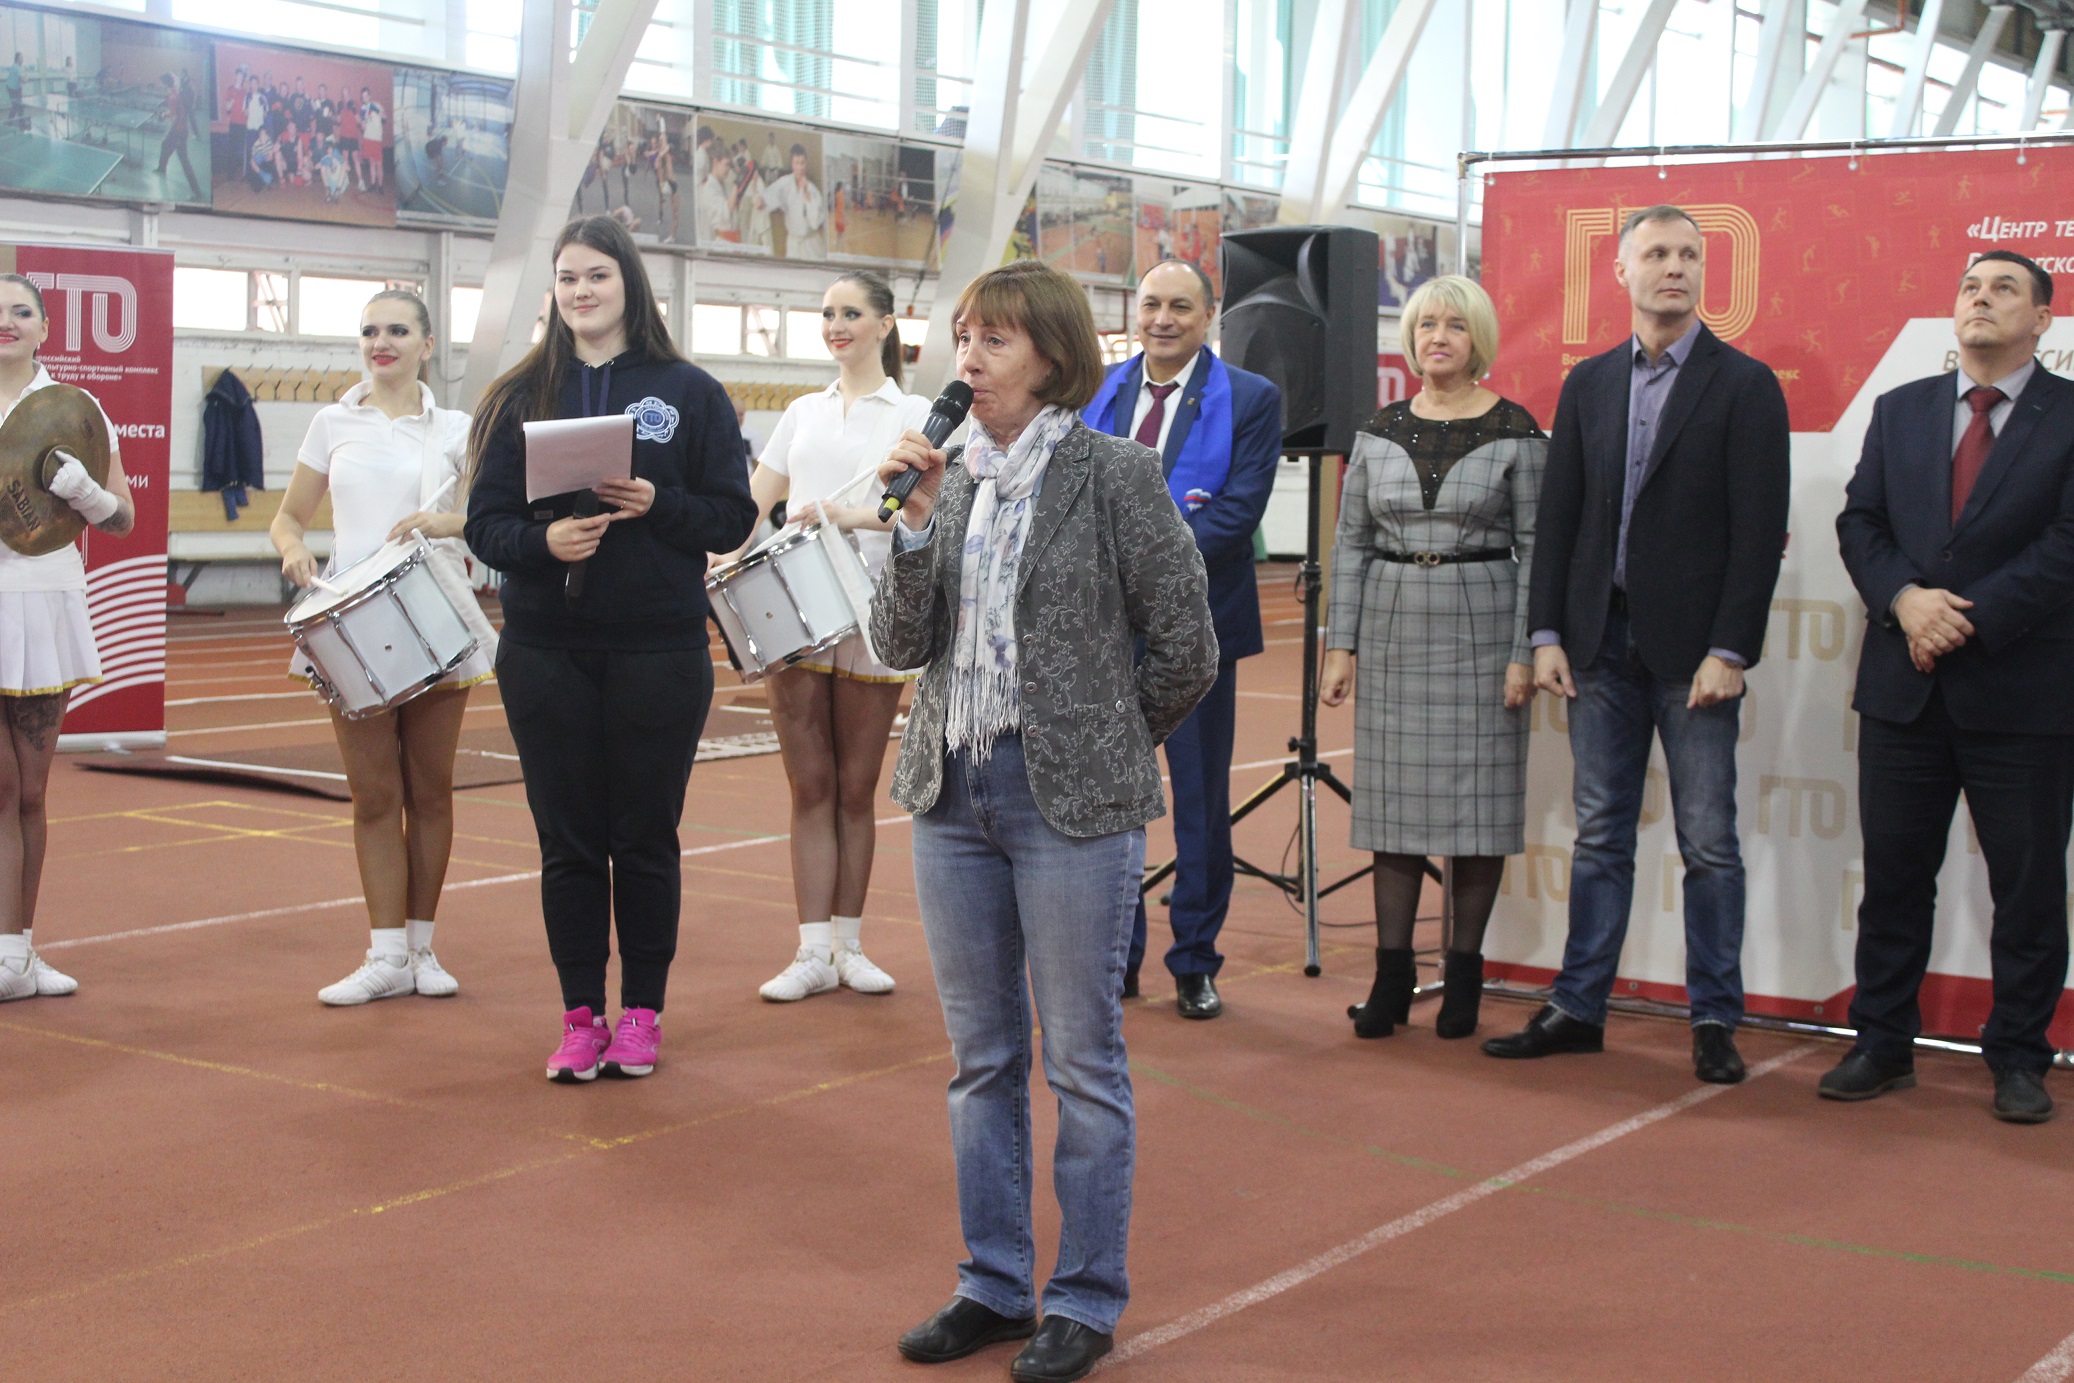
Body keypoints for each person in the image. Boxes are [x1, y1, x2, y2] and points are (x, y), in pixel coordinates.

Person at [876, 260, 1216, 1382]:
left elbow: (1188, 646)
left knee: (1080, 1060)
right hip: (950, 791)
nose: (968, 359)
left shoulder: (1115, 474)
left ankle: (1083, 1296)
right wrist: (912, 526)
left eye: (996, 340)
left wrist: (1102, 739)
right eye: (963, 337)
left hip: (1066, 798)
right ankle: (993, 1281)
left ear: (1054, 357)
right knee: (980, 1060)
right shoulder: (943, 478)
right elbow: (898, 643)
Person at [1482, 205, 1790, 1085]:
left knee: (1710, 843)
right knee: (1601, 836)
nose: (1675, 267)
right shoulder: (1587, 383)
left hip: (1696, 656)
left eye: (1689, 254)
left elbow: (1758, 532)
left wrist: (1732, 649)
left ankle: (1715, 1018)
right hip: (1596, 645)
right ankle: (1579, 1006)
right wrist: (1547, 633)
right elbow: (1559, 520)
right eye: (1657, 253)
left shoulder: (1746, 385)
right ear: (1621, 271)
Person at [465, 216, 756, 1083]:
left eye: (597, 274)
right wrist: (541, 544)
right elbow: (484, 523)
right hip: (544, 652)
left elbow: (732, 516)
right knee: (567, 841)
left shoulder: (690, 391)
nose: (582, 290)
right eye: (567, 278)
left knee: (645, 836)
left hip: (656, 650)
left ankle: (642, 1014)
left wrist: (658, 503)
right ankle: (580, 1015)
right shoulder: (521, 394)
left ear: (629, 282)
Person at [1829, 249, 2074, 1124]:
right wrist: (1905, 599)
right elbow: (1860, 520)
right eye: (1971, 286)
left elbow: (2067, 544)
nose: (1981, 298)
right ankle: (1881, 1042)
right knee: (1895, 880)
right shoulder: (1901, 409)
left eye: (2005, 288)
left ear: (2042, 318)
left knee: (2029, 889)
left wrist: (1962, 618)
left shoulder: (2069, 415)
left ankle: (2019, 1055)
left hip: (2024, 692)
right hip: (1905, 690)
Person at [1319, 275, 1544, 1040]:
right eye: (1425, 325)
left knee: (1481, 809)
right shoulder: (1378, 430)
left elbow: (1537, 549)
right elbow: (1350, 543)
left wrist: (1523, 652)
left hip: (1483, 627)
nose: (1437, 337)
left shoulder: (1517, 430)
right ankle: (1391, 977)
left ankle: (1465, 973)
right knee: (1394, 809)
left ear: (1478, 339)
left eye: (1453, 325)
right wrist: (1340, 645)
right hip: (1391, 627)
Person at [271, 289, 491, 1007]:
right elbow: (288, 517)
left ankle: (422, 948)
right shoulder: (332, 422)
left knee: (430, 790)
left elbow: (492, 520)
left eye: (397, 330)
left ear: (428, 345)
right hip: (351, 625)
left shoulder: (459, 429)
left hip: (437, 617)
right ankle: (385, 953)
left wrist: (449, 523)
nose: (381, 343)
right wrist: (294, 548)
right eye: (369, 331)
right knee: (373, 793)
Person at [716, 272, 929, 1004]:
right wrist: (721, 555)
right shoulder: (802, 411)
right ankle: (811, 951)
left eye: (852, 313)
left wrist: (850, 517)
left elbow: (918, 509)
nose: (837, 325)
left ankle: (850, 945)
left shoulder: (915, 413)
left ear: (885, 324)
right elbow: (752, 504)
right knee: (809, 785)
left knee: (856, 788)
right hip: (794, 609)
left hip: (874, 611)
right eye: (829, 314)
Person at [1081, 258, 1280, 1019]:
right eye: (1152, 304)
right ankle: (1117, 957)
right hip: (1101, 629)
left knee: (1198, 799)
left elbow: (1238, 512)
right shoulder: (1095, 390)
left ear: (1208, 316)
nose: (1163, 319)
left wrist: (1141, 562)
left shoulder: (1251, 398)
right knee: (1110, 800)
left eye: (1180, 307)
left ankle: (1195, 959)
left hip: (1197, 629)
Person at [0, 275, 136, 1002]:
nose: (6, 322)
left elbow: (122, 520)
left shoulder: (78, 408)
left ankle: (18, 954)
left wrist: (84, 489)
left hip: (44, 603)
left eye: (21, 311)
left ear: (45, 327)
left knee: (30, 793)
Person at [758, 144, 827, 260]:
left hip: (811, 243)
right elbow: (771, 194)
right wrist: (762, 201)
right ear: (792, 165)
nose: (800, 167)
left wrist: (807, 196)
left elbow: (815, 223)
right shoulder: (785, 183)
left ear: (806, 164)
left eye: (802, 163)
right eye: (796, 163)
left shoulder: (813, 191)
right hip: (793, 243)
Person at [155, 71, 201, 201]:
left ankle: (197, 192)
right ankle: (161, 168)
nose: (160, 85)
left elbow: (176, 116)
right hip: (180, 129)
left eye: (161, 83)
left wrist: (167, 121)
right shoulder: (174, 93)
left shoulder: (173, 96)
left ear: (165, 84)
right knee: (165, 145)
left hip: (179, 131)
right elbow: (175, 111)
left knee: (184, 160)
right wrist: (165, 114)